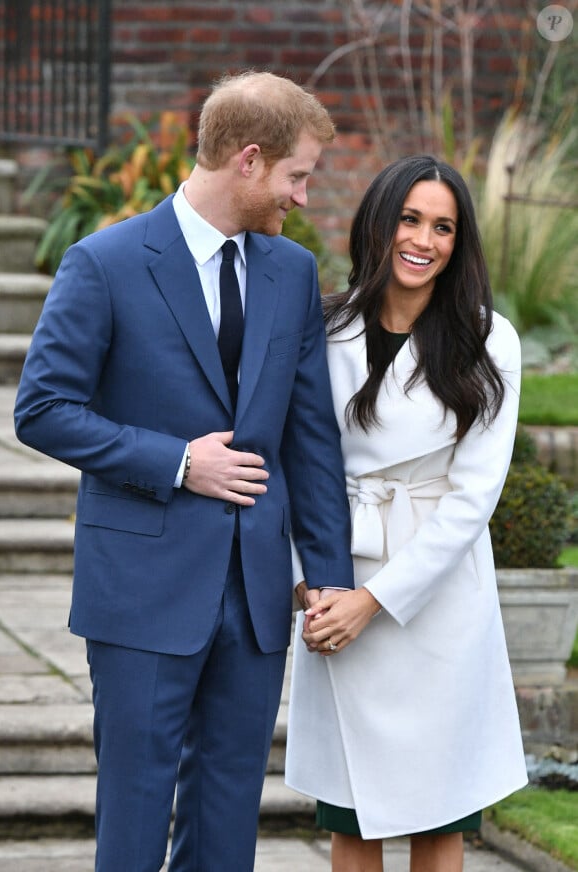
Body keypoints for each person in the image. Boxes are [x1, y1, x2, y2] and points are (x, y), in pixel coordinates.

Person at [14, 71, 354, 872]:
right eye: (296, 175)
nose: (302, 198)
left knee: (227, 817)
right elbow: (42, 408)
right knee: (133, 815)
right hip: (141, 588)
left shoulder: (291, 274)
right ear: (247, 160)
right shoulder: (104, 263)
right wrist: (176, 461)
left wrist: (329, 574)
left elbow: (310, 440)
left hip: (254, 594)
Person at [285, 154, 528, 872]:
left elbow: (472, 499)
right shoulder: (323, 327)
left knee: (436, 816)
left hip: (436, 599)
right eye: (410, 219)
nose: (424, 240)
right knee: (351, 815)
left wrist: (376, 601)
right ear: (379, 224)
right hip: (334, 576)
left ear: (461, 241)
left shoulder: (490, 340)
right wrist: (311, 583)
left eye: (444, 226)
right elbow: (299, 460)